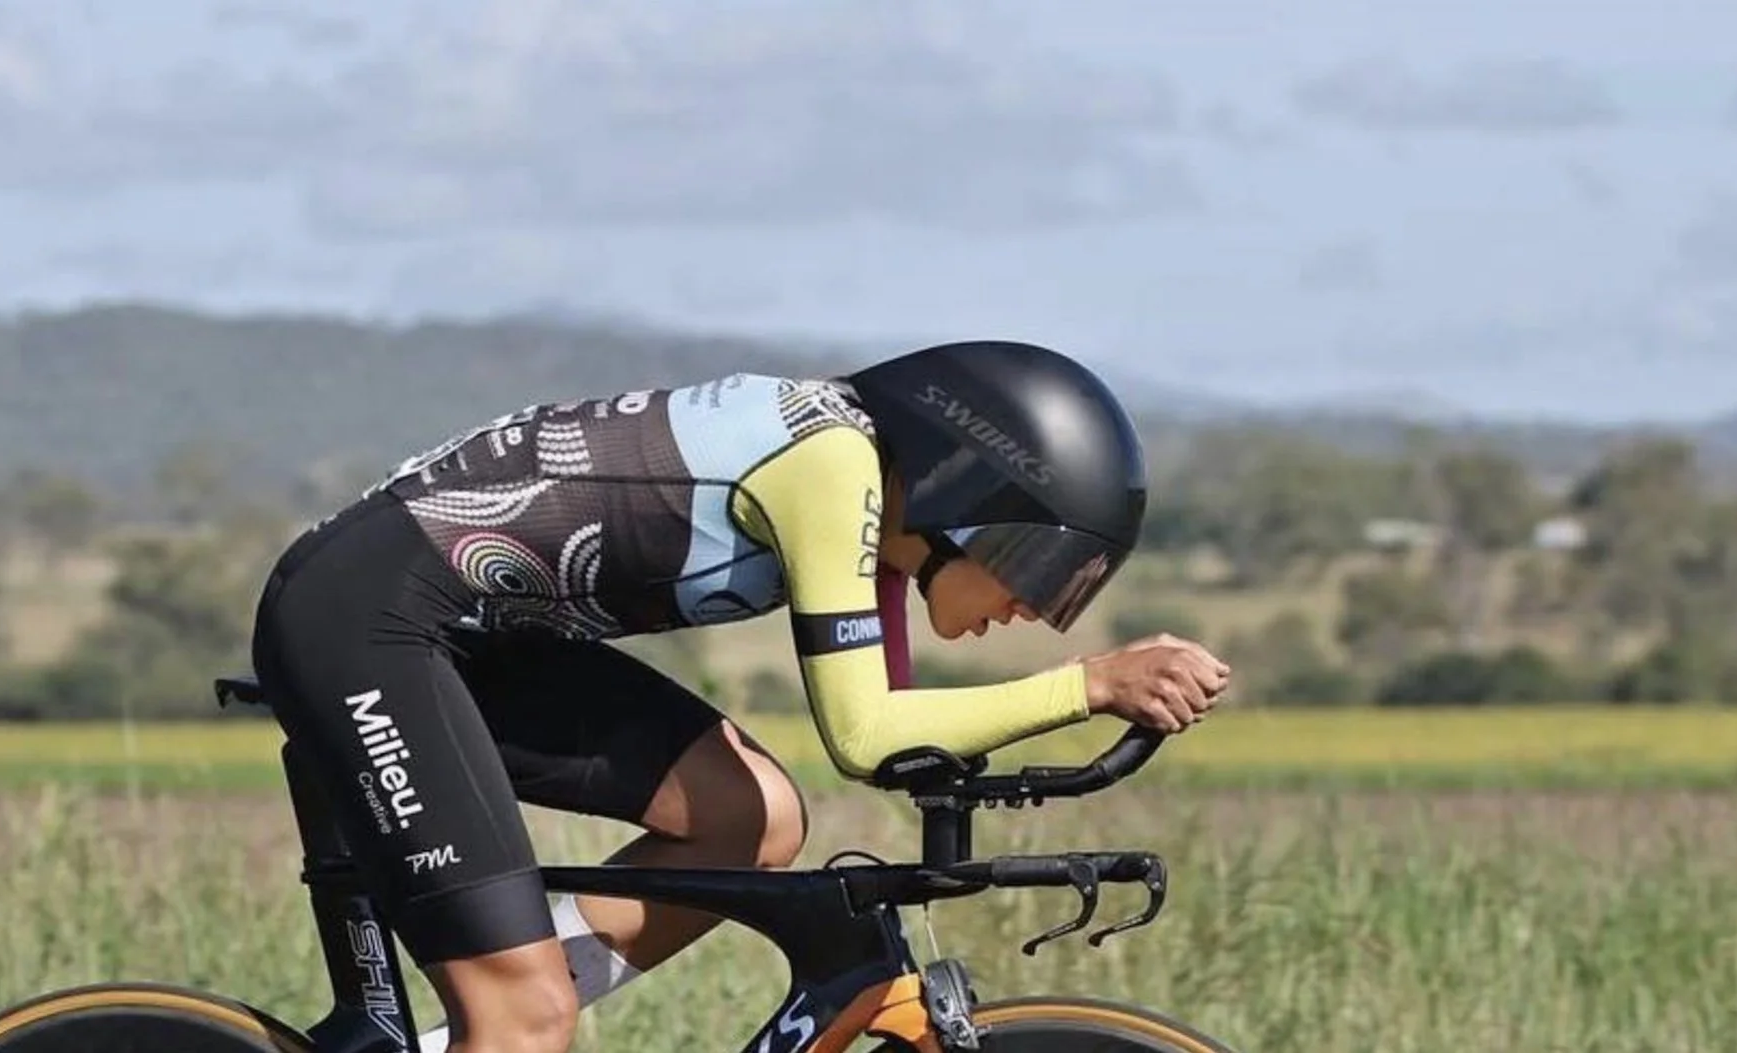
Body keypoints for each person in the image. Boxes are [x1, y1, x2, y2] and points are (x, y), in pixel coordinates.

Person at [247, 339, 1231, 1053]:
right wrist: (1091, 684)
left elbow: (895, 744)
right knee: (523, 1015)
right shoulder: (829, 466)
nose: (1031, 606)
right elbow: (865, 732)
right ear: (966, 505)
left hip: (468, 636)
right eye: (1034, 565)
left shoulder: (882, 525)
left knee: (750, 815)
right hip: (364, 621)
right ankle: (511, 1024)